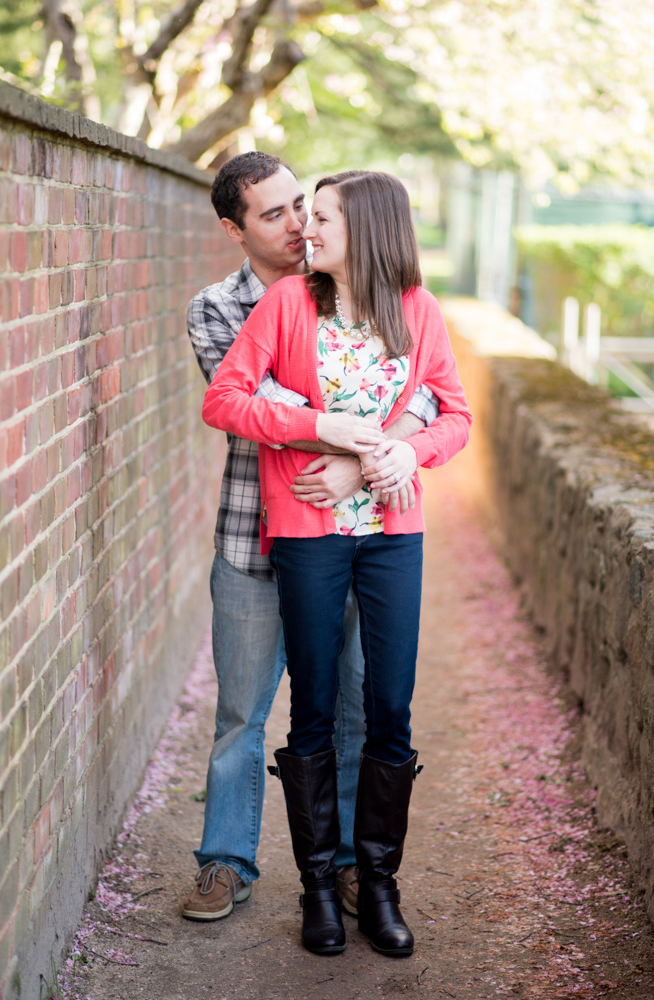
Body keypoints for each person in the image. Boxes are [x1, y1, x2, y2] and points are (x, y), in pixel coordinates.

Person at [202, 171, 472, 957]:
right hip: (307, 535)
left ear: (371, 228)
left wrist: (396, 453)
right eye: (301, 216)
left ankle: (377, 885)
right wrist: (321, 425)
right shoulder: (288, 305)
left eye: (320, 218)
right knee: (313, 708)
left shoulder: (416, 311)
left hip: (393, 534)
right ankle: (319, 888)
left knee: (388, 708)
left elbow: (452, 416)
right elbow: (225, 400)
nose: (305, 231)